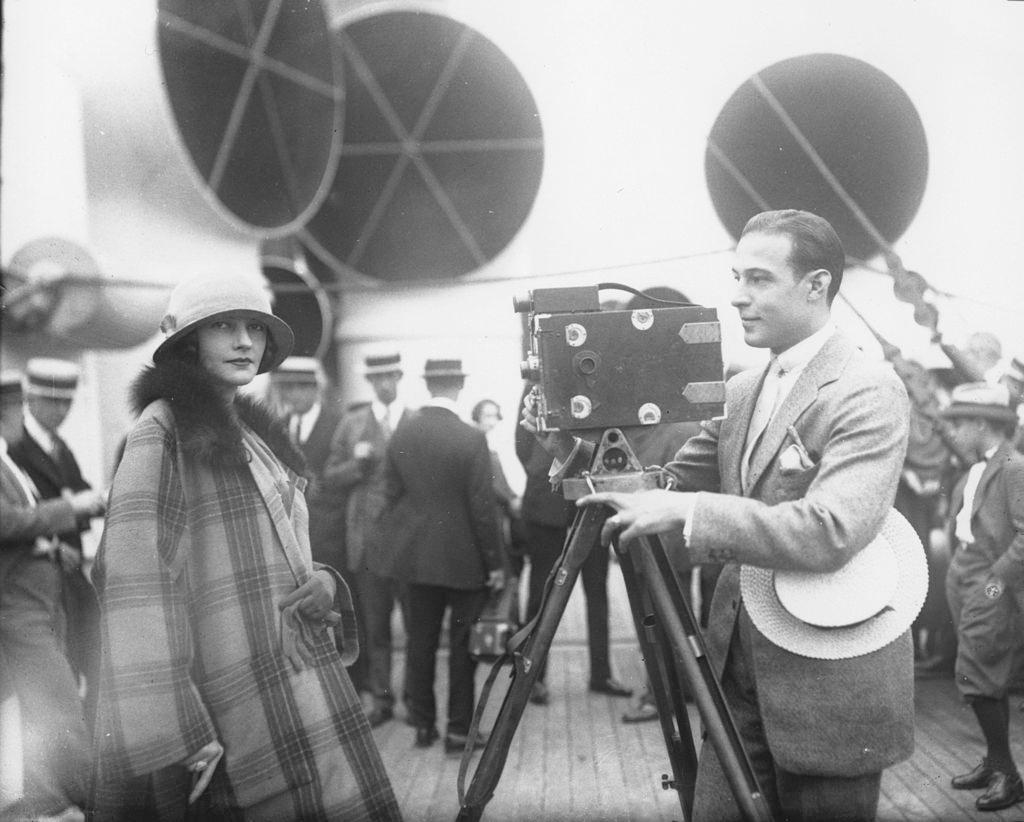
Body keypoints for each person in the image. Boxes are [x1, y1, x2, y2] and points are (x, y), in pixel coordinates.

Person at [530, 209, 915, 821]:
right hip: (733, 683)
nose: (737, 297)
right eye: (737, 277)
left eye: (759, 279)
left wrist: (688, 508)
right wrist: (572, 454)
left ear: (816, 285)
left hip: (823, 691)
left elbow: (833, 531)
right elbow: (661, 489)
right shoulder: (738, 393)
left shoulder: (867, 389)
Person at [89, 275, 400, 820]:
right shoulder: (160, 431)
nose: (244, 342)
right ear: (188, 341)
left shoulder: (249, 431)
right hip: (228, 701)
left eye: (255, 327)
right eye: (222, 327)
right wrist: (183, 733)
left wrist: (324, 581)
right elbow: (132, 582)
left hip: (299, 677)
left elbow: (277, 547)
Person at [379, 359, 504, 752]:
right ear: (458, 388)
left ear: (428, 384)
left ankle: (423, 726)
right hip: (465, 559)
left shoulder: (405, 431)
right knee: (464, 646)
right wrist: (496, 563)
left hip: (416, 559)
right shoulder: (470, 438)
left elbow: (391, 493)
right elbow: (483, 508)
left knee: (420, 643)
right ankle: (458, 730)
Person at [1, 371, 103, 822]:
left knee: (40, 701)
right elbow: (6, 524)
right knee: (56, 698)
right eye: (16, 410)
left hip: (38, 601)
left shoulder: (8, 463)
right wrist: (72, 509)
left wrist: (51, 544)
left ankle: (50, 799)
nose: (21, 419)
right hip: (18, 606)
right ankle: (80, 796)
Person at [515, 390, 633, 706]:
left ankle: (601, 674)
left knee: (597, 592)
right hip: (546, 505)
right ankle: (532, 678)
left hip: (590, 501)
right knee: (541, 593)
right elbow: (523, 445)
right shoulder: (536, 388)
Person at [942, 382, 1023, 812]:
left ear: (980, 423)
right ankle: (994, 761)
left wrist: (993, 585)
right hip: (965, 574)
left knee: (980, 671)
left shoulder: (1014, 467)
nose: (951, 432)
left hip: (988, 582)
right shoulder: (978, 467)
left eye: (958, 423)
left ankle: (1007, 774)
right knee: (974, 667)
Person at [324, 353, 412, 728]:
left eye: (390, 376)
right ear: (371, 382)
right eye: (377, 378)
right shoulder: (353, 423)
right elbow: (330, 475)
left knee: (414, 626)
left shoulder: (417, 422)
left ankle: (414, 698)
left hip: (410, 543)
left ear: (399, 376)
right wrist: (356, 464)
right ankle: (382, 699)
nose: (384, 384)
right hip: (368, 542)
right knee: (375, 627)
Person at [270, 356, 365, 689]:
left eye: (299, 387)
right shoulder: (279, 425)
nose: (291, 395)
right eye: (286, 387)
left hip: (332, 532)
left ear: (315, 388)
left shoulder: (338, 423)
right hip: (293, 536)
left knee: (340, 607)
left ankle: (354, 684)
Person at [471, 398, 524, 583]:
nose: (492, 421)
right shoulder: (475, 442)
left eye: (495, 416)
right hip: (486, 508)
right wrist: (511, 498)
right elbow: (492, 481)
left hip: (498, 508)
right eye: (487, 416)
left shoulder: (494, 442)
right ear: (477, 417)